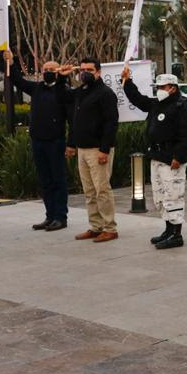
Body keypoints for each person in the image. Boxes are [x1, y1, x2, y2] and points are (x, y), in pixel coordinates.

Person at [120, 68, 187, 250]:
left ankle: (177, 234)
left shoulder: (182, 106)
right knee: (161, 197)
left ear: (172, 87)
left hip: (172, 160)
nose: (159, 89)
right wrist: (127, 81)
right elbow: (138, 100)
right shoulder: (157, 104)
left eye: (162, 87)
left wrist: (179, 157)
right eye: (158, 86)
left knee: (173, 195)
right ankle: (168, 229)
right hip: (156, 157)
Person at [3, 50, 73, 232]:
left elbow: (72, 118)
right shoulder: (37, 88)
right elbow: (17, 80)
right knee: (45, 181)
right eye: (46, 69)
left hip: (55, 142)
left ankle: (60, 217)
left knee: (58, 180)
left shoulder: (63, 90)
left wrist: (71, 144)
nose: (48, 71)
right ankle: (49, 216)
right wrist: (11, 62)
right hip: (38, 141)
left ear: (58, 71)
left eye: (52, 69)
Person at [67, 57, 120, 243]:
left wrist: (104, 149)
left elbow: (111, 124)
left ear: (98, 72)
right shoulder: (81, 92)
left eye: (89, 69)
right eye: (82, 69)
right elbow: (74, 120)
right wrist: (71, 144)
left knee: (102, 190)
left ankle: (110, 228)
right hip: (82, 149)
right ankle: (95, 227)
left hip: (98, 149)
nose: (85, 73)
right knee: (89, 191)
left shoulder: (106, 94)